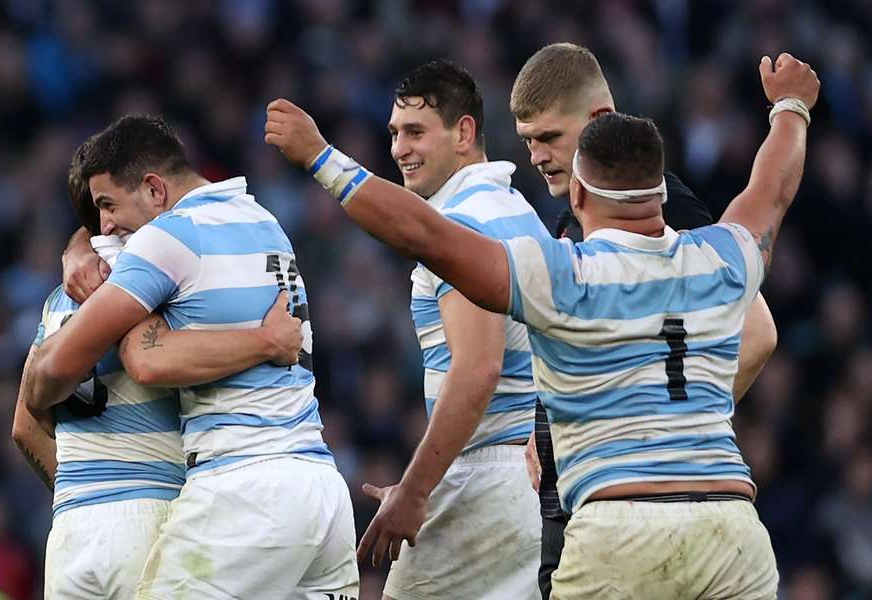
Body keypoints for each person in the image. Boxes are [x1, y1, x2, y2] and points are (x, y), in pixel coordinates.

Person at [264, 51, 819, 598]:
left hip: (617, 520)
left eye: (549, 140)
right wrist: (791, 107)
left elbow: (423, 235)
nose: (536, 157)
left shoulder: (562, 274)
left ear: (579, 195)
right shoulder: (723, 253)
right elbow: (769, 192)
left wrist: (321, 159)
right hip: (731, 525)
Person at [24, 116, 359, 599]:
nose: (106, 227)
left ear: (155, 190)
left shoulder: (166, 238)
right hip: (321, 488)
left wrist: (86, 261)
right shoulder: (264, 222)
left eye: (108, 206)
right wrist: (77, 249)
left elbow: (140, 362)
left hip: (243, 487)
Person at [509, 42, 779, 598]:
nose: (536, 156)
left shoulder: (662, 211)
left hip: (626, 504)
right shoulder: (572, 216)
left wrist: (658, 430)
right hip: (585, 493)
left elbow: (757, 334)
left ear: (598, 121)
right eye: (528, 141)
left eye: (550, 138)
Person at [355, 59, 541, 599]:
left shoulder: (463, 224)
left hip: (486, 481)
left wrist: (416, 490)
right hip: (530, 473)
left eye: (415, 132)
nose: (398, 149)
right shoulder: (518, 210)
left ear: (463, 132)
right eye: (393, 133)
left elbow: (479, 369)